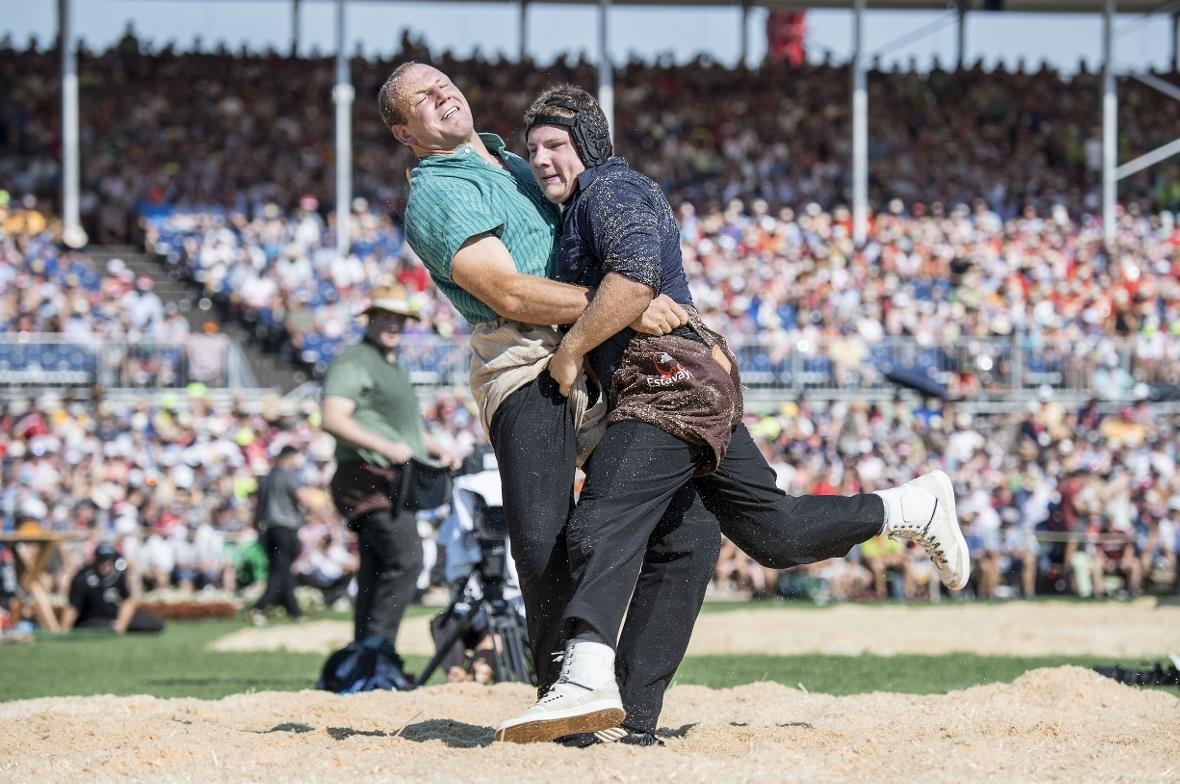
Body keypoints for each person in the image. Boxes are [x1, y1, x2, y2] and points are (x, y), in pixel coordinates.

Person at [495, 85, 970, 741]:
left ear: (589, 142)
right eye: (533, 150)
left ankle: (584, 678)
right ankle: (908, 507)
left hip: (667, 379)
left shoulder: (611, 189)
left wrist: (572, 351)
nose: (543, 158)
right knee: (768, 534)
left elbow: (634, 277)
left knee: (603, 517)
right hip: (689, 379)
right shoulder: (587, 201)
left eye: (554, 144)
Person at [381, 62, 720, 745]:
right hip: (524, 357)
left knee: (692, 526)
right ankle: (561, 702)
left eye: (443, 81)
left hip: (593, 348)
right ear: (403, 131)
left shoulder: (512, 158)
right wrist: (626, 304)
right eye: (423, 96)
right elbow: (506, 292)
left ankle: (633, 710)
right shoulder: (435, 192)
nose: (442, 92)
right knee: (542, 535)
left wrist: (618, 309)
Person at [321, 284, 456, 651]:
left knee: (376, 566)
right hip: (367, 477)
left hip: (391, 479)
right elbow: (333, 418)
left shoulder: (392, 364)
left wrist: (434, 446)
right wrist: (384, 446)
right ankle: (379, 649)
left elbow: (401, 429)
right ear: (370, 318)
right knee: (407, 559)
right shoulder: (356, 361)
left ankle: (364, 653)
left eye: (400, 318)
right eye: (385, 316)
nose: (393, 325)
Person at [251, 445, 316, 623]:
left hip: (269, 530)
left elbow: (257, 509)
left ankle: (294, 612)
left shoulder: (266, 479)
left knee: (282, 569)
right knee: (280, 571)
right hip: (285, 529)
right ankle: (260, 607)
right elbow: (304, 499)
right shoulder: (288, 476)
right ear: (289, 458)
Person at [61, 543, 164, 634]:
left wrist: (121, 623)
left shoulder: (118, 576)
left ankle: (116, 628)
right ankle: (113, 628)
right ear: (95, 560)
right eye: (102, 560)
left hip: (113, 617)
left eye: (110, 560)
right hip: (90, 619)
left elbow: (127, 601)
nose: (106, 564)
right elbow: (73, 607)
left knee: (156, 623)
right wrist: (64, 630)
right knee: (105, 627)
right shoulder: (82, 577)